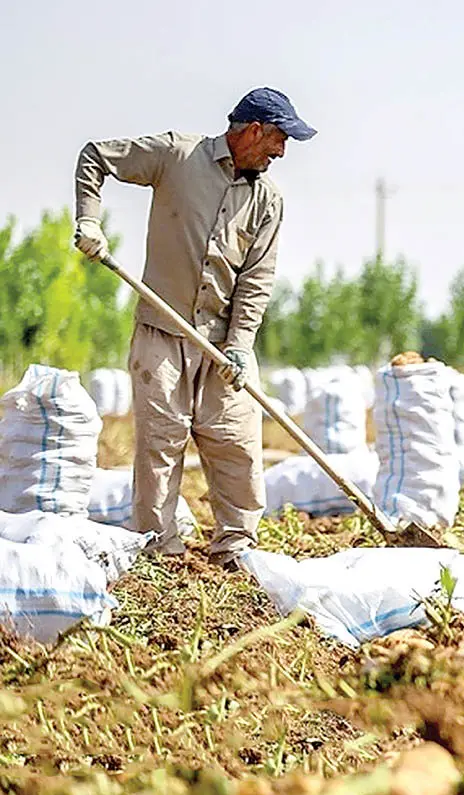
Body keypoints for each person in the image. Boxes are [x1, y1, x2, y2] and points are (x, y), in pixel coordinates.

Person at [73, 87, 316, 569]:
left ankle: (236, 547)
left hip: (222, 342)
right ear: (254, 131)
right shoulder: (176, 156)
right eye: (280, 139)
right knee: (161, 444)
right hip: (162, 334)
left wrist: (240, 346)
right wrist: (89, 220)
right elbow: (95, 156)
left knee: (236, 441)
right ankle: (158, 549)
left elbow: (256, 279)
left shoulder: (268, 199)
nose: (282, 151)